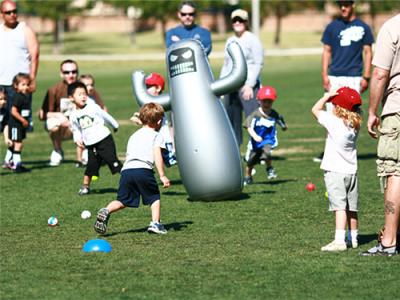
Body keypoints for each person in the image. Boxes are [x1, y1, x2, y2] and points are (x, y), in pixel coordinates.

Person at [94, 102, 171, 235]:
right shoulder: (157, 136)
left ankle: (106, 210)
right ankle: (155, 224)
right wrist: (162, 175)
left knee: (123, 200)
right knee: (154, 198)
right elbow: (157, 156)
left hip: (127, 171)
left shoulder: (134, 136)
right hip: (143, 170)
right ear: (159, 121)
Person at [314, 0, 374, 162]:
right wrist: (324, 74)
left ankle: (348, 148)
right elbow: (326, 51)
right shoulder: (332, 27)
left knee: (351, 114)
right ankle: (329, 151)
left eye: (346, 4)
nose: (343, 7)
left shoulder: (363, 27)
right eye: (341, 4)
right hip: (335, 76)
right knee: (331, 114)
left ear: (353, 5)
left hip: (354, 76)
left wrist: (366, 76)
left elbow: (368, 52)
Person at [363, 14, 400, 257]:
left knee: (395, 171)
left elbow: (379, 74)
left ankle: (388, 241)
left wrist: (372, 111)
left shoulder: (392, 27)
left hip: (397, 107)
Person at [311, 87, 363, 251]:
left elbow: (315, 109)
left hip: (335, 171)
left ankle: (339, 241)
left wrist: (326, 97)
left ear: (338, 107)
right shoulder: (354, 124)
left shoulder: (333, 122)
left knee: (339, 207)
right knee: (351, 208)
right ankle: (353, 238)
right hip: (351, 172)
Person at [40, 59, 106, 166]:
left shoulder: (85, 88)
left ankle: (86, 151)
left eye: (74, 72)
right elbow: (42, 115)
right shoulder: (54, 90)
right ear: (61, 74)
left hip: (81, 126)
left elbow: (102, 108)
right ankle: (57, 151)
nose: (71, 75)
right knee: (52, 123)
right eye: (67, 72)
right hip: (63, 126)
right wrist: (58, 115)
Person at [68, 82, 121, 196]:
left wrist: (114, 125)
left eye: (84, 93)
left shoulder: (92, 107)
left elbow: (105, 115)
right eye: (79, 94)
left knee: (113, 163)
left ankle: (131, 182)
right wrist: (77, 139)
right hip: (91, 144)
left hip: (104, 139)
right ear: (71, 98)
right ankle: (85, 187)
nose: (83, 96)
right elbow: (76, 129)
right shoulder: (73, 115)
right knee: (91, 166)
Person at [220, 8, 264, 146]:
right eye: (234, 20)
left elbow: (258, 63)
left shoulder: (252, 39)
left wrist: (250, 85)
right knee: (232, 121)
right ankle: (235, 150)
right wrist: (222, 86)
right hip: (231, 87)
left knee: (253, 120)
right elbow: (226, 64)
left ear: (246, 22)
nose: (237, 22)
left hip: (248, 87)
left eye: (240, 20)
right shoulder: (230, 40)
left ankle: (260, 151)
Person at [0, 0, 39, 130]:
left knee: (18, 125)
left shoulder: (25, 30)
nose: (12, 14)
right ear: (1, 14)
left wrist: (32, 79)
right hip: (1, 83)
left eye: (14, 11)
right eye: (8, 12)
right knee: (2, 124)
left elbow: (35, 55)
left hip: (19, 86)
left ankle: (14, 150)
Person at [243, 86, 287, 185]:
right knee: (251, 161)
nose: (267, 104)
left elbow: (279, 120)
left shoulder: (273, 113)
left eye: (269, 101)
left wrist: (283, 126)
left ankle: (269, 168)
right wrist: (254, 136)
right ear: (259, 101)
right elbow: (247, 126)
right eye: (264, 101)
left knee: (267, 152)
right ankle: (247, 176)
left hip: (268, 139)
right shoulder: (255, 114)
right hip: (256, 142)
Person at [130, 72, 176, 167]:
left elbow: (155, 122)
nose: (145, 89)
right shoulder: (154, 104)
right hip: (157, 139)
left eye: (148, 86)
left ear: (158, 88)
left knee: (173, 160)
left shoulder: (161, 102)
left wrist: (140, 120)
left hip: (165, 141)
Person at [8, 73, 32, 173]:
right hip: (15, 125)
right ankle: (17, 165)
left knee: (16, 144)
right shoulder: (18, 97)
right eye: (23, 84)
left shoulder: (24, 96)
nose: (26, 87)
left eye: (27, 84)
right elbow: (13, 111)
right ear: (16, 86)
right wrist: (23, 120)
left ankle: (9, 161)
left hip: (21, 125)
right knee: (17, 144)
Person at [0, 87, 12, 168]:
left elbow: (5, 125)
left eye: (5, 99)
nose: (3, 102)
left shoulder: (5, 111)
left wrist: (6, 138)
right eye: (0, 99)